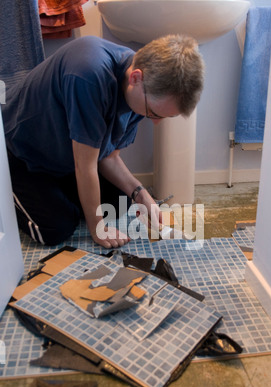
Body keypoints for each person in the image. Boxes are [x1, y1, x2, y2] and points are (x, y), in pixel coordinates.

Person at [3, 34, 205, 249]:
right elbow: (86, 165)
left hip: (63, 155)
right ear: (136, 78)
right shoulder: (87, 74)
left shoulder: (141, 85)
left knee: (119, 202)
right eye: (153, 113)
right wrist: (97, 227)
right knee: (56, 228)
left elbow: (108, 156)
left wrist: (142, 194)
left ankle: (54, 195)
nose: (156, 122)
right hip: (20, 154)